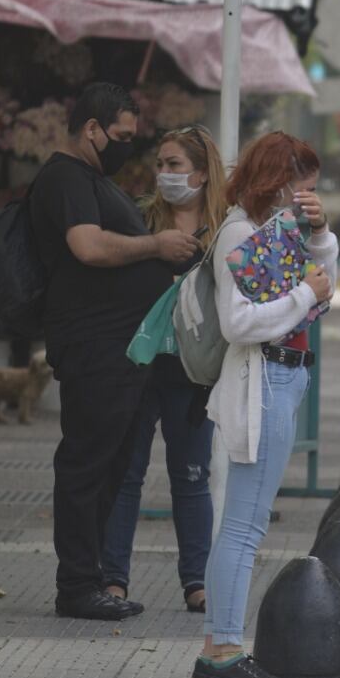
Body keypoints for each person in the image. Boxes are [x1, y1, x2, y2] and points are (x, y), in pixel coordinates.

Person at [27, 82, 200, 622]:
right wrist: (156, 246)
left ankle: (95, 579)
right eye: (121, 136)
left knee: (112, 466)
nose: (129, 146)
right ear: (92, 129)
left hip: (121, 353)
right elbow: (88, 246)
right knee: (87, 465)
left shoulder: (94, 179)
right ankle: (77, 585)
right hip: (95, 349)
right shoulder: (66, 177)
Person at [191, 132, 337, 678]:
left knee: (246, 521)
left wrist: (321, 237)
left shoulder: (278, 230)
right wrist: (304, 295)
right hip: (263, 378)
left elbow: (324, 290)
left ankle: (221, 647)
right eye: (305, 189)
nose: (309, 199)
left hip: (286, 374)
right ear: (278, 183)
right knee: (244, 524)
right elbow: (238, 323)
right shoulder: (241, 231)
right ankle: (222, 652)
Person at [101, 123, 229, 615]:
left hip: (194, 370)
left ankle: (196, 582)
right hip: (140, 363)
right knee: (126, 471)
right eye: (160, 165)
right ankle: (113, 579)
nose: (164, 174)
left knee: (192, 474)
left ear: (201, 172)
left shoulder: (223, 228)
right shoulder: (139, 220)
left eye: (174, 165)